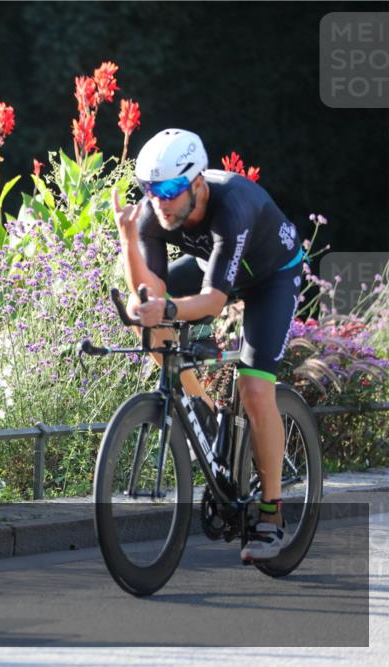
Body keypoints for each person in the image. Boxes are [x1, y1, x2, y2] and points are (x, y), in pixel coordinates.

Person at [111, 128, 306, 562]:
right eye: (149, 189)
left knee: (255, 388)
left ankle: (271, 515)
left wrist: (169, 310)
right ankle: (204, 406)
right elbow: (150, 292)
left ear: (197, 183)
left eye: (170, 189)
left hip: (271, 276)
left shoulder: (230, 205)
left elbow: (215, 302)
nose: (159, 199)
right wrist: (129, 244)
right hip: (213, 268)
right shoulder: (151, 213)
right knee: (141, 313)